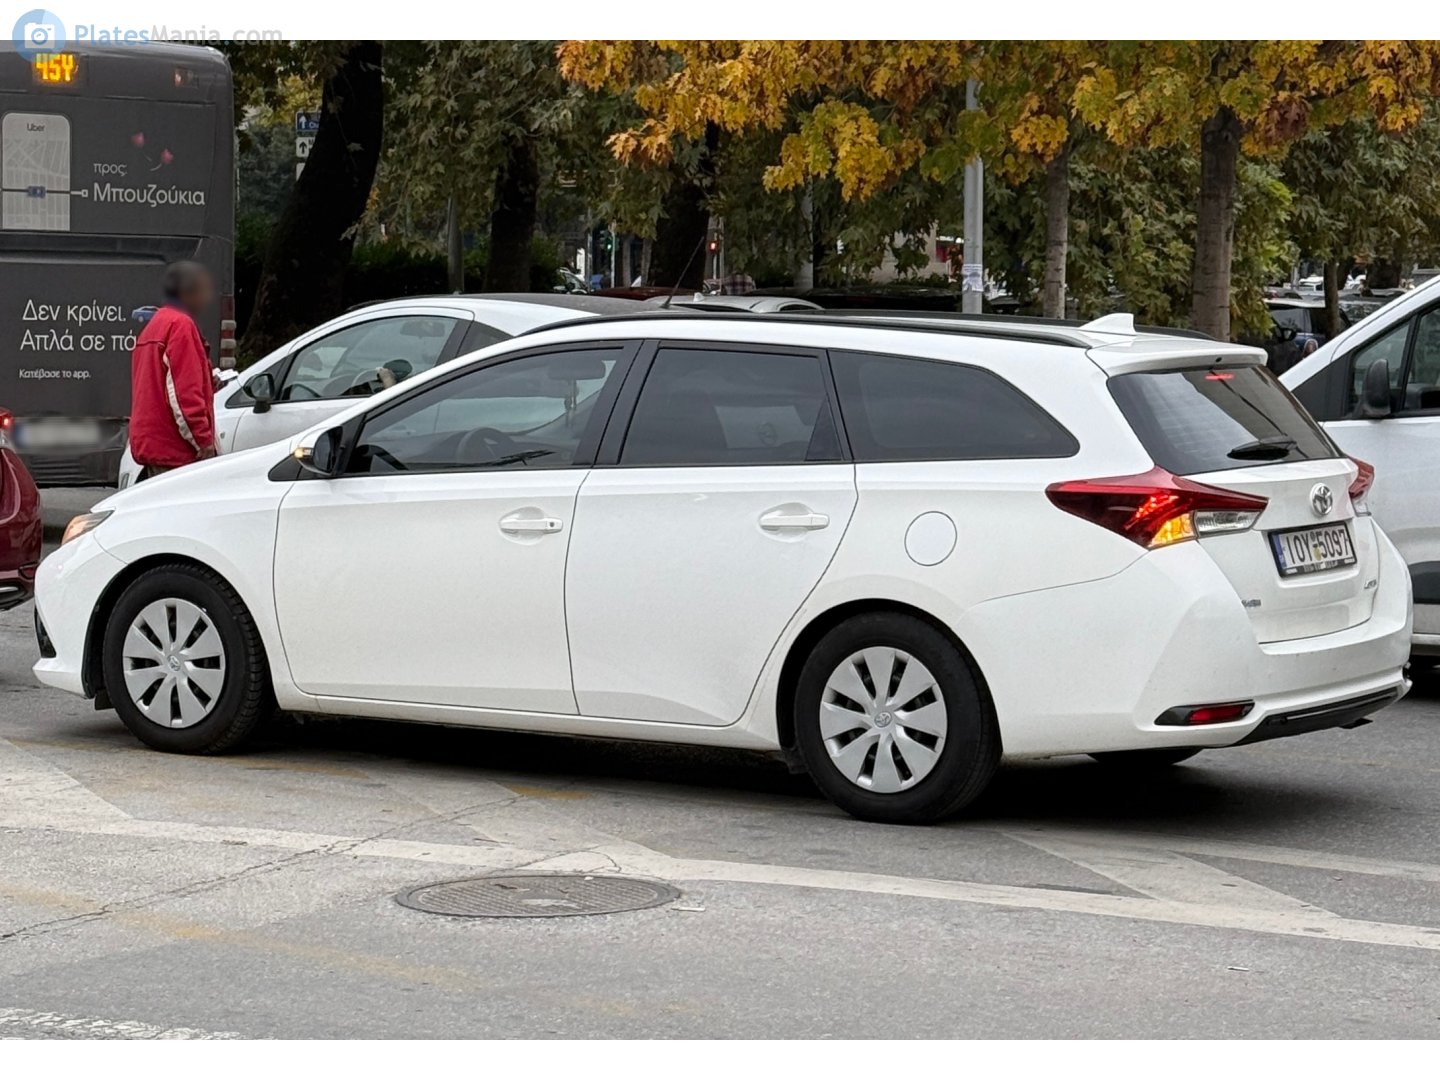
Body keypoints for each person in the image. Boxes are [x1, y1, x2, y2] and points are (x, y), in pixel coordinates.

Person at [129, 261, 218, 481]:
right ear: (188, 292)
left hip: (154, 446)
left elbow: (158, 385)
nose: (206, 299)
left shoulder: (154, 326)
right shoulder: (181, 326)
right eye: (203, 291)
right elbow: (182, 395)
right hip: (176, 452)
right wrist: (203, 441)